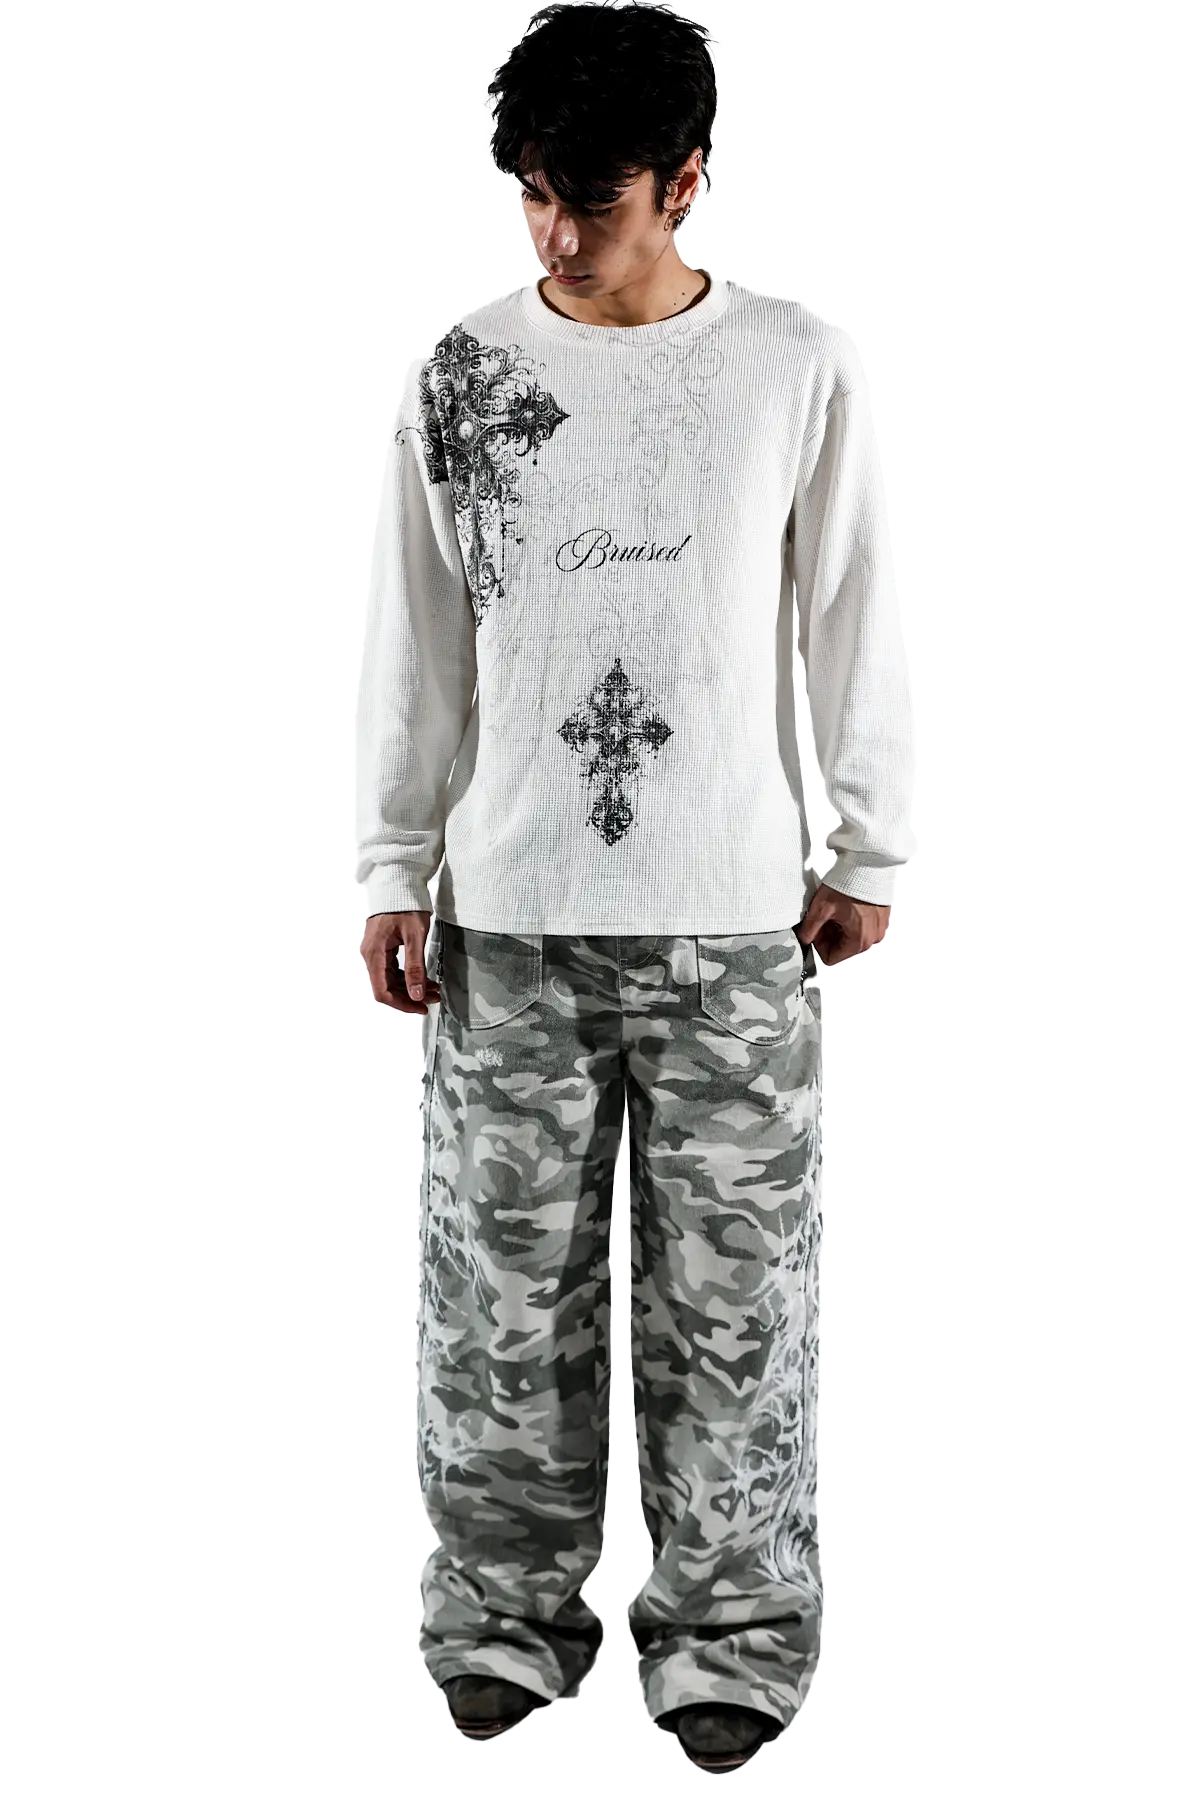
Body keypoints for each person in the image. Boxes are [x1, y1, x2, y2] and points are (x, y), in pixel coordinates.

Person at [354, 0, 917, 1770]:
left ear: (689, 178)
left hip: (732, 920)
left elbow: (853, 608)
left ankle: (731, 1638)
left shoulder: (792, 365)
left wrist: (868, 839)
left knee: (735, 1308)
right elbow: (416, 642)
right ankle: (501, 1620)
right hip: (507, 921)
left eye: (592, 198)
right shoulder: (464, 374)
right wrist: (392, 863)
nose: (556, 233)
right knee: (499, 1304)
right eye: (530, 194)